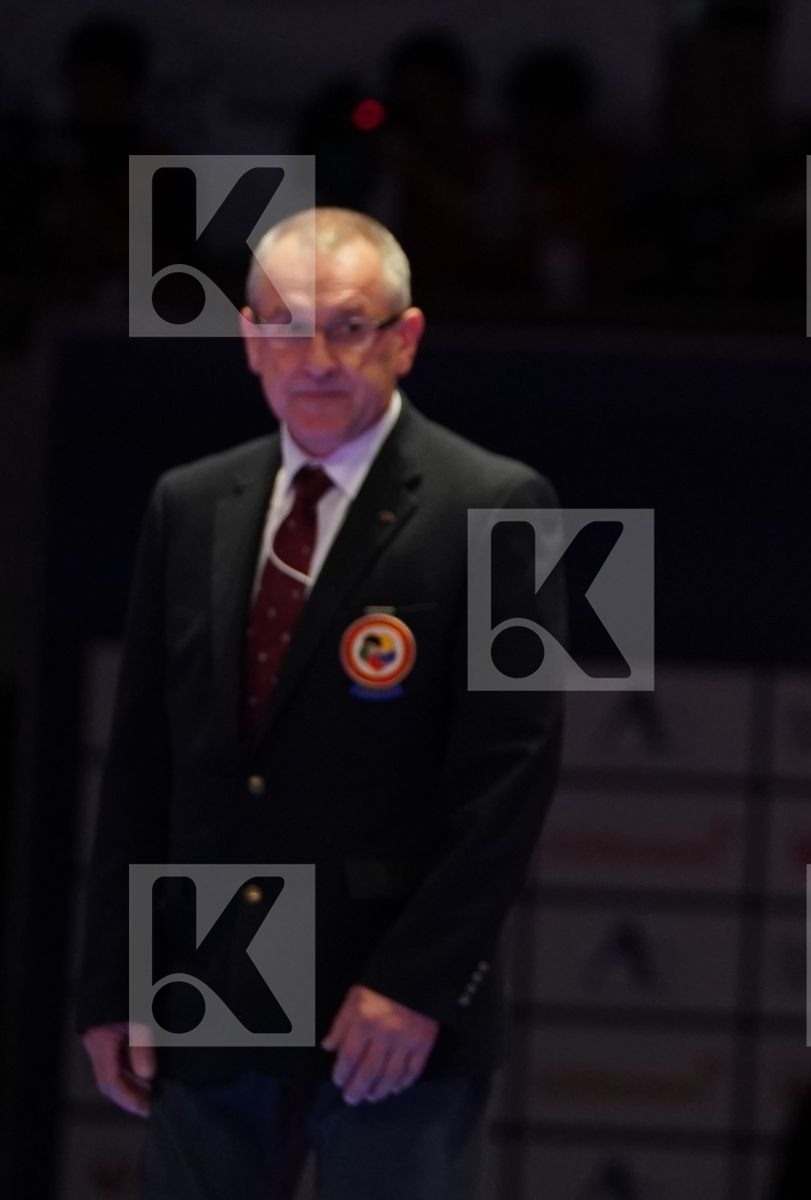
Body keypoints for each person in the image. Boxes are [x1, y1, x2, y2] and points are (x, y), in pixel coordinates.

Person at [73, 206, 566, 1199]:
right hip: (207, 987)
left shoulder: (497, 504)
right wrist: (117, 984)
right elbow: (140, 764)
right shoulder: (189, 502)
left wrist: (418, 986)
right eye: (285, 325)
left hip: (385, 1004)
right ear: (249, 340)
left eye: (349, 326)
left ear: (406, 339)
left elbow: (509, 781)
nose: (317, 356)